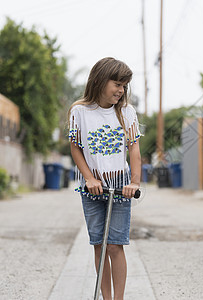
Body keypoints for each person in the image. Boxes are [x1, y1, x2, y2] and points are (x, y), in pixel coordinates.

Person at [68, 57, 141, 299]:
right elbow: (75, 147)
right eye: (117, 84)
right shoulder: (79, 111)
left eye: (124, 86)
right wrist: (89, 177)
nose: (121, 90)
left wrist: (135, 183)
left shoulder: (127, 113)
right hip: (92, 188)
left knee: (114, 245)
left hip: (120, 186)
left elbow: (134, 150)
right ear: (100, 80)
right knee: (99, 244)